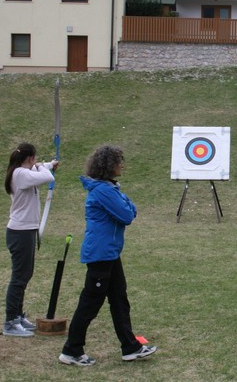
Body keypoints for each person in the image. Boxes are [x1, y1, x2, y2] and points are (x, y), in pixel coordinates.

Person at [59, 145, 156, 366]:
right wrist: (127, 204)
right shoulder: (104, 190)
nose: (122, 165)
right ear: (108, 166)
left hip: (110, 253)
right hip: (101, 254)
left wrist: (126, 203)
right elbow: (127, 214)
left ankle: (130, 347)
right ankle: (71, 351)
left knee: (119, 300)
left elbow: (129, 208)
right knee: (90, 303)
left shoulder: (110, 188)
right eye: (118, 161)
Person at [3, 143, 58, 337]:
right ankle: (10, 322)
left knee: (25, 275)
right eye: (35, 158)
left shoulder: (23, 172)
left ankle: (17, 316)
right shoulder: (20, 174)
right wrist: (45, 167)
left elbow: (41, 170)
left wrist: (49, 164)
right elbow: (47, 177)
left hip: (25, 231)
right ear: (30, 158)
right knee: (20, 277)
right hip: (20, 232)